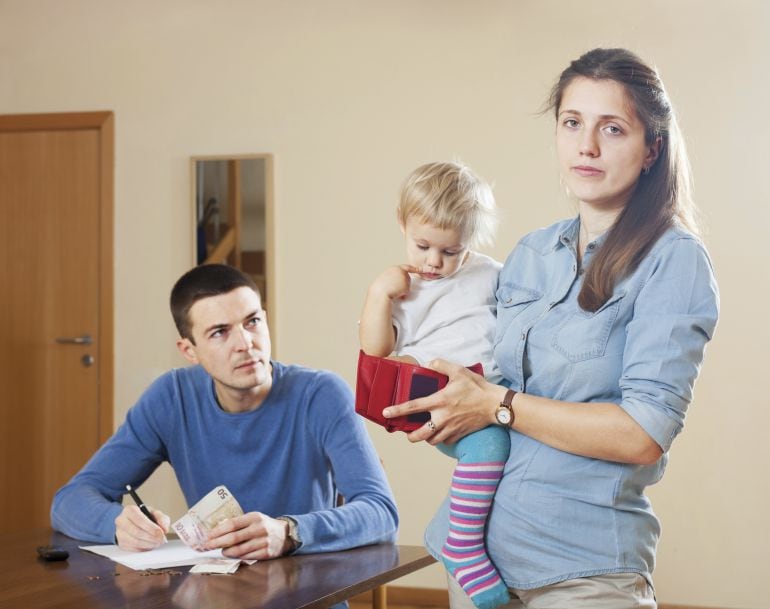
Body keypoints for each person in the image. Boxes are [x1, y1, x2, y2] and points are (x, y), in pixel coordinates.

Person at [381, 48, 719, 609]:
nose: (586, 146)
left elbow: (641, 435)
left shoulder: (674, 260)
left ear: (652, 147)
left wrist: (495, 405)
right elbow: (473, 362)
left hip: (584, 573)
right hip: (477, 566)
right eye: (571, 123)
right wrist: (442, 404)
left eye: (612, 128)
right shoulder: (531, 253)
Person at [52, 263, 398, 562]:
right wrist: (116, 524)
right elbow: (69, 501)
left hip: (310, 593)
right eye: (220, 332)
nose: (245, 343)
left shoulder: (322, 394)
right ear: (189, 350)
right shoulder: (171, 397)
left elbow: (381, 513)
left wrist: (289, 532)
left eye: (252, 322)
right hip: (214, 593)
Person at [360, 161, 511, 609]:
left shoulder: (490, 274)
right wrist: (378, 295)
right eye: (423, 245)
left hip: (488, 392)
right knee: (490, 444)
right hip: (435, 397)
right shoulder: (404, 286)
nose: (434, 261)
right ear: (402, 223)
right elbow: (375, 349)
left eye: (450, 251)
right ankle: (461, 543)